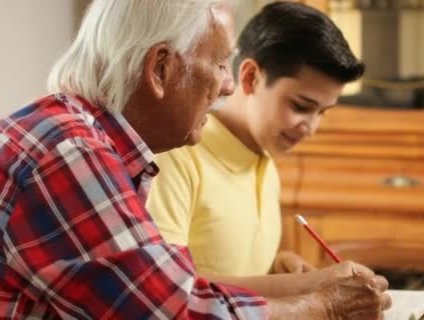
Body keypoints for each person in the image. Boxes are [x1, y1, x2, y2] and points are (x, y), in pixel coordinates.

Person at [0, 0, 391, 319]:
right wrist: (325, 304)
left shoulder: (78, 136)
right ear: (160, 69)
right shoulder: (70, 154)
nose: (227, 87)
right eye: (219, 63)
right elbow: (176, 309)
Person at [146, 0, 378, 298]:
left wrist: (277, 266)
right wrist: (308, 285)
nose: (310, 127)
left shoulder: (265, 163)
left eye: (322, 112)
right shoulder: (175, 156)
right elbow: (166, 289)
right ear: (250, 77)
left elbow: (230, 270)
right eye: (301, 106)